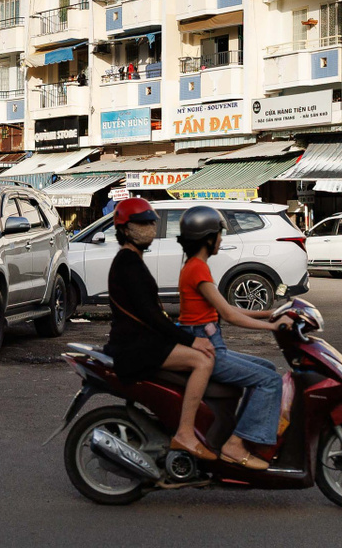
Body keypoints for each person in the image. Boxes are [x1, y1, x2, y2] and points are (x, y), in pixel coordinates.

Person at [102, 196, 218, 460]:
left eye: (151, 223)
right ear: (124, 230)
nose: (149, 229)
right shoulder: (128, 262)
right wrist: (191, 341)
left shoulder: (132, 259)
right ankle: (185, 433)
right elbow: (151, 315)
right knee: (203, 361)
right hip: (135, 347)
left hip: (141, 341)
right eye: (141, 224)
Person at [175, 205, 291, 471]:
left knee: (267, 367)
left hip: (210, 343)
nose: (221, 239)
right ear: (208, 238)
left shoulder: (195, 266)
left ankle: (242, 432)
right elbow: (229, 315)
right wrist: (274, 327)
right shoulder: (197, 269)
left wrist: (270, 313)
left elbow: (222, 308)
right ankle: (235, 444)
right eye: (219, 234)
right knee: (270, 380)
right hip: (208, 349)